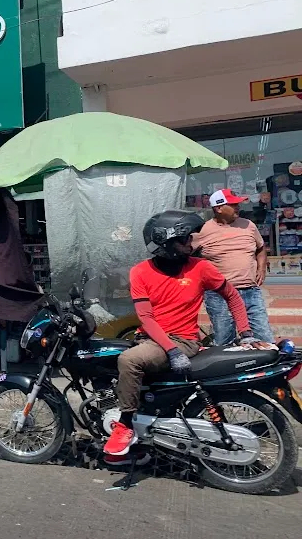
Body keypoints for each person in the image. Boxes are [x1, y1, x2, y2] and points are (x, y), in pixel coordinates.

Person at [104, 210, 254, 459]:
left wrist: (245, 332)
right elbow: (146, 318)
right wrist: (168, 349)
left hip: (181, 341)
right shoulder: (140, 272)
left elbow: (233, 296)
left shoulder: (201, 268)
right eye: (185, 239)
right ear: (166, 243)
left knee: (129, 360)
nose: (191, 243)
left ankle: (125, 425)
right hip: (153, 339)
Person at [192, 189, 273, 345]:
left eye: (238, 204)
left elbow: (261, 248)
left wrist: (261, 269)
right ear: (218, 208)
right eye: (233, 204)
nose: (238, 207)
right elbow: (187, 256)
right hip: (219, 294)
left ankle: (265, 368)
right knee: (224, 340)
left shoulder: (248, 225)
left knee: (264, 337)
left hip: (250, 291)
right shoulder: (202, 231)